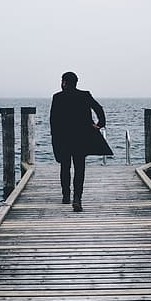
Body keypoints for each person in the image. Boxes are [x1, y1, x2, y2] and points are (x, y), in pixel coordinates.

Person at [49, 71, 111, 211]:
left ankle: (66, 196)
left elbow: (53, 121)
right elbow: (99, 109)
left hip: (63, 139)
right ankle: (77, 198)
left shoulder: (57, 97)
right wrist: (100, 124)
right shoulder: (85, 95)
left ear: (64, 82)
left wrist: (55, 139)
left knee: (65, 167)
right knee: (79, 168)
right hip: (81, 139)